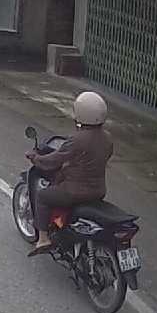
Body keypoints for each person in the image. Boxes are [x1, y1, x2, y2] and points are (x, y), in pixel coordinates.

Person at [27, 91, 114, 256]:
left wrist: (36, 158)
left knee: (43, 196)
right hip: (98, 191)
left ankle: (43, 238)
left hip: (73, 192)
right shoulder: (107, 138)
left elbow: (53, 161)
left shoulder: (77, 139)